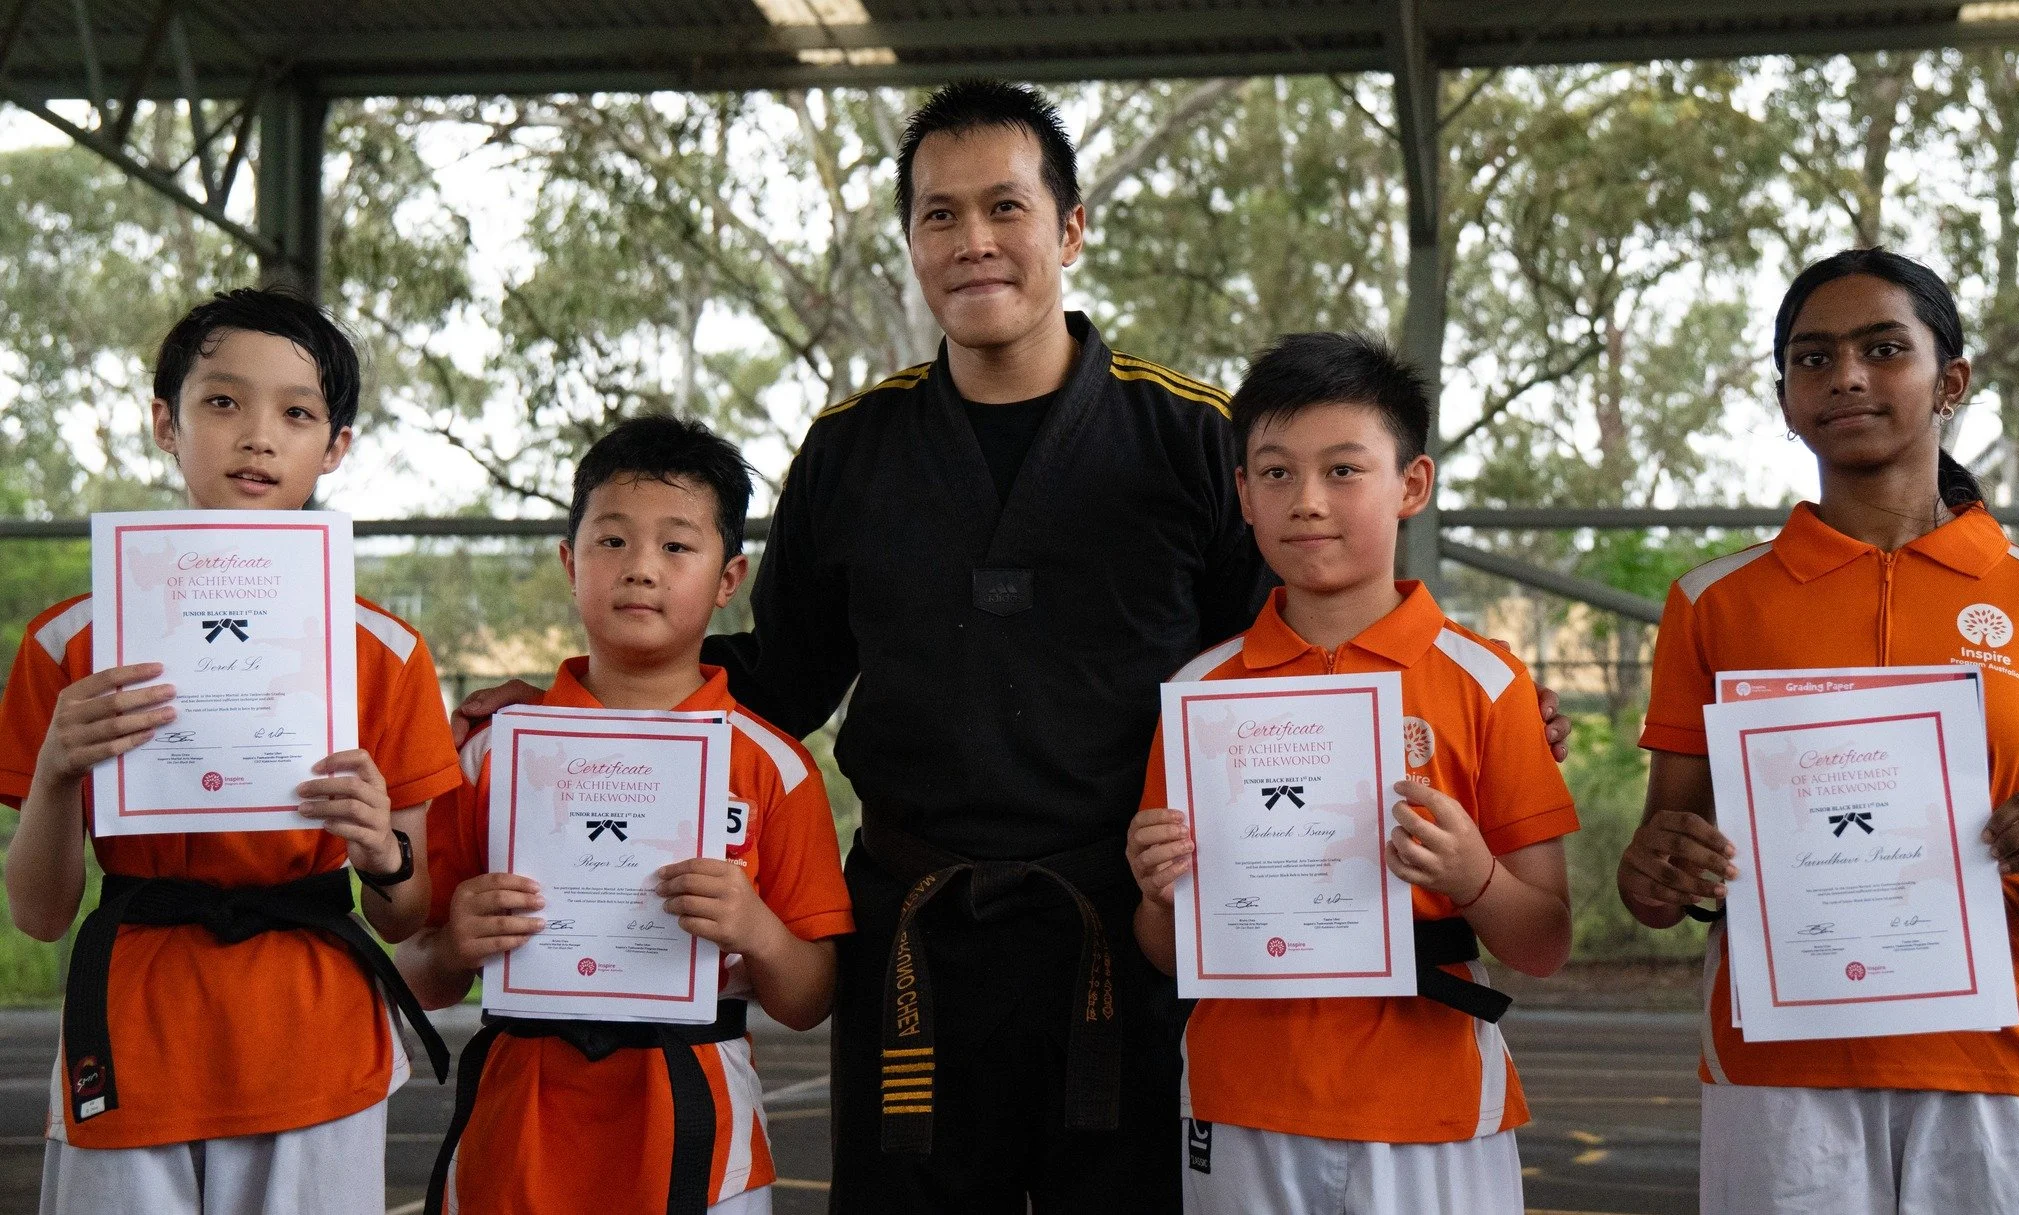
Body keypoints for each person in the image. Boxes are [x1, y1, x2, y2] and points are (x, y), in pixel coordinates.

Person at [457, 80, 1572, 1212]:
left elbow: (1292, 662)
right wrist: (569, 711)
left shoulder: (1190, 438)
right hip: (914, 936)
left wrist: (1467, 721)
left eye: (1005, 207)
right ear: (910, 241)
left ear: (1071, 229)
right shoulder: (853, 449)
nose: (973, 242)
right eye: (940, 215)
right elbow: (776, 676)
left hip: (1136, 925)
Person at [1617, 247, 2019, 1214]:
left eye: (1883, 348)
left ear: (1950, 380)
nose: (1847, 377)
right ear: (1783, 393)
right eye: (1813, 358)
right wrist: (1658, 868)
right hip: (1781, 1064)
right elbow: (1659, 888)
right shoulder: (1713, 603)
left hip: (2010, 1063)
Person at [0, 289, 460, 1215]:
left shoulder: (387, 649)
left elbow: (407, 914)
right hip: (133, 1037)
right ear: (165, 422)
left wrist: (381, 849)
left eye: (296, 412)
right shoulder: (68, 643)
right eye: (222, 401)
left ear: (336, 447)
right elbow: (42, 914)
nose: (258, 435)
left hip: (316, 1040)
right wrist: (55, 774)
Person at [1125, 333, 1578, 1215]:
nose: (1309, 502)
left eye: (1343, 470)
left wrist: (1473, 875)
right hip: (1243, 1097)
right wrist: (1155, 895)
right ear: (1243, 495)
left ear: (1412, 484)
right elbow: (1169, 949)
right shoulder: (1199, 696)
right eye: (1278, 473)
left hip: (1433, 1101)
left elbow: (1546, 941)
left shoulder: (1489, 682)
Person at [397, 416, 853, 1215]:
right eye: (612, 541)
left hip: (701, 1145)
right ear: (570, 563)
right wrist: (453, 942)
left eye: (677, 546)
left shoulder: (772, 766)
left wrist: (755, 927)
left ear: (729, 577)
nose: (641, 567)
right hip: (513, 1145)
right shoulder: (490, 755)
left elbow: (811, 995)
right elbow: (418, 974)